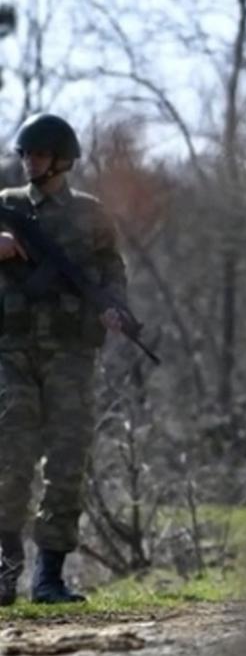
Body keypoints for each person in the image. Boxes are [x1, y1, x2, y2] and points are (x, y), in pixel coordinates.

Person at [0, 113, 129, 604]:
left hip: (71, 355)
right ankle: (4, 572)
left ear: (62, 159)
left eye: (38, 154)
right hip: (11, 351)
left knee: (67, 462)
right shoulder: (5, 207)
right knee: (10, 462)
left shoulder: (92, 216)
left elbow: (112, 273)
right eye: (25, 154)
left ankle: (49, 578)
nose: (29, 162)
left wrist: (116, 310)